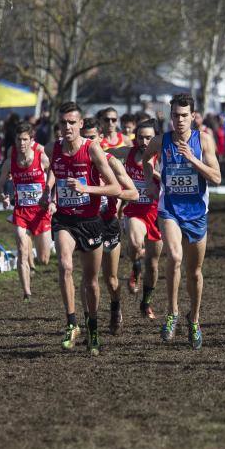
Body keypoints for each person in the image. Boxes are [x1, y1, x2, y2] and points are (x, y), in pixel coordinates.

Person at [141, 93, 222, 350]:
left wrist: (192, 159)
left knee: (194, 272)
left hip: (197, 213)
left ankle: (194, 319)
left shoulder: (203, 140)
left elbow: (217, 178)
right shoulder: (161, 141)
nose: (179, 120)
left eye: (184, 115)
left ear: (193, 117)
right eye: (175, 115)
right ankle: (172, 312)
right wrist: (149, 183)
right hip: (170, 210)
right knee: (174, 257)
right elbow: (145, 159)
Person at [41, 102, 121, 356]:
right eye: (63, 123)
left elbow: (115, 188)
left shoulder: (92, 150)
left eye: (72, 123)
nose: (67, 127)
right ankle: (71, 323)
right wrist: (48, 193)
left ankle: (93, 327)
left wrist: (88, 189)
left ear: (80, 124)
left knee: (91, 282)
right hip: (65, 219)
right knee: (64, 265)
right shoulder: (51, 148)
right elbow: (53, 173)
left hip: (90, 221)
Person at [80, 118, 139, 335]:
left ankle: (116, 307)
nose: (87, 142)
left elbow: (134, 193)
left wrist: (109, 192)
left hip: (108, 224)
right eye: (84, 137)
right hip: (85, 224)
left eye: (92, 138)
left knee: (111, 278)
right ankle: (88, 321)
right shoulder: (75, 164)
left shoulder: (111, 161)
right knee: (87, 278)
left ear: (101, 139)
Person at [0, 122, 52, 301]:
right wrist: (3, 197)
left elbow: (55, 173)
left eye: (25, 139)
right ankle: (27, 292)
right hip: (21, 212)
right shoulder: (9, 162)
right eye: (18, 139)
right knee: (21, 248)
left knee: (44, 259)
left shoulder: (41, 157)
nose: (21, 143)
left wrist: (51, 195)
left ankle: (34, 248)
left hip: (41, 213)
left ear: (31, 140)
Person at [122, 119, 163, 320]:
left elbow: (171, 179)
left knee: (153, 264)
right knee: (136, 244)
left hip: (157, 213)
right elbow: (103, 154)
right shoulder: (128, 153)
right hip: (135, 210)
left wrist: (155, 174)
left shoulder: (163, 156)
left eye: (149, 137)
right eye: (141, 137)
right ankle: (135, 269)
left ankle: (146, 303)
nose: (145, 141)